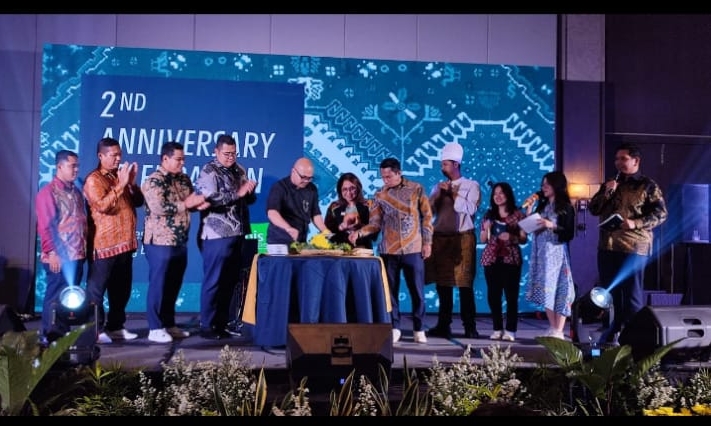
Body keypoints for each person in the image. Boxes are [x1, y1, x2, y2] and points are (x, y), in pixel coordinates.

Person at [588, 142, 668, 344]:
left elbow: (661, 214)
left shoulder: (647, 185)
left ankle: (636, 340)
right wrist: (606, 192)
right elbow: (594, 209)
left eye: (623, 159)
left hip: (634, 247)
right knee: (609, 293)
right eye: (616, 159)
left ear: (636, 160)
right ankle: (611, 334)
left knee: (632, 295)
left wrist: (635, 223)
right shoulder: (610, 183)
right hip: (607, 247)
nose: (618, 163)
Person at [350, 157, 433, 344]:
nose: (385, 180)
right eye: (383, 177)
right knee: (390, 293)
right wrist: (360, 233)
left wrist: (427, 242)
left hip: (413, 248)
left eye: (388, 176)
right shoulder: (380, 195)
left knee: (417, 291)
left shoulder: (416, 189)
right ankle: (395, 327)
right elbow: (375, 223)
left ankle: (419, 328)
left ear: (398, 173)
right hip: (388, 250)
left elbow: (427, 217)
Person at [141, 142, 209, 343]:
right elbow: (159, 207)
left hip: (180, 240)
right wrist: (187, 204)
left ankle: (168, 323)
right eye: (178, 159)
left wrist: (199, 204)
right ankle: (155, 327)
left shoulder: (183, 179)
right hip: (160, 241)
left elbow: (189, 203)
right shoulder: (154, 181)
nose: (182, 163)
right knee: (159, 284)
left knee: (173, 284)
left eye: (183, 159)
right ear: (165, 159)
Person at [195, 134, 257, 340]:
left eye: (234, 153)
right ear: (216, 152)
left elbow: (246, 200)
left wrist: (249, 192)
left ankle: (222, 323)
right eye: (226, 154)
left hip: (238, 233)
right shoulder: (208, 171)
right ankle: (206, 325)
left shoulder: (240, 170)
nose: (231, 157)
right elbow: (209, 199)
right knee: (214, 280)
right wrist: (238, 193)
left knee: (230, 281)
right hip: (216, 234)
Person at [83, 137, 144, 344]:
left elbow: (138, 202)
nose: (118, 158)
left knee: (121, 291)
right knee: (96, 291)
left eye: (119, 154)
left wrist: (132, 184)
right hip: (104, 246)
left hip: (125, 244)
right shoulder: (94, 179)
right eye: (113, 155)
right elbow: (102, 206)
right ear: (101, 156)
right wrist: (121, 185)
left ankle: (116, 326)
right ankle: (95, 330)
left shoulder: (120, 176)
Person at [424, 142, 482, 339]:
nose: (442, 168)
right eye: (442, 164)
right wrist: (437, 195)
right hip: (441, 239)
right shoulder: (438, 187)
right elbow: (428, 212)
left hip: (462, 239)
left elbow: (470, 209)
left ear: (456, 164)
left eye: (446, 164)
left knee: (464, 284)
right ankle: (443, 324)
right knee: (443, 285)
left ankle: (470, 326)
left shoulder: (471, 185)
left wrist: (452, 193)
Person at [35, 150, 88, 344]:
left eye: (77, 166)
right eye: (72, 166)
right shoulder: (48, 193)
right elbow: (45, 226)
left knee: (68, 300)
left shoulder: (75, 191)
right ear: (59, 166)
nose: (76, 170)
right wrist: (52, 252)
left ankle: (63, 337)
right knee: (55, 298)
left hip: (76, 256)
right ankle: (49, 337)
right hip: (59, 257)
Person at [524, 171, 576, 340]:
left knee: (560, 290)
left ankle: (559, 330)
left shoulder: (566, 207)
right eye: (543, 184)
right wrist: (530, 209)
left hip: (556, 254)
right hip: (541, 255)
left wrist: (551, 225)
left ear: (557, 185)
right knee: (546, 291)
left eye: (547, 184)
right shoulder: (542, 206)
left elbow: (569, 232)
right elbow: (530, 226)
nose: (543, 187)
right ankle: (553, 327)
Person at [479, 182, 527, 342]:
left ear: (508, 195)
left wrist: (511, 237)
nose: (498, 196)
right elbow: (483, 239)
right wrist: (486, 228)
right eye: (495, 194)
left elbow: (523, 239)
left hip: (511, 258)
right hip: (491, 258)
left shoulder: (518, 215)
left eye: (501, 193)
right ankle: (497, 328)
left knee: (511, 296)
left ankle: (511, 330)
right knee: (493, 296)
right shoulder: (489, 214)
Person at [266, 157, 329, 245]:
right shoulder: (279, 187)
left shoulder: (312, 188)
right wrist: (288, 228)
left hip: (301, 240)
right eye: (303, 177)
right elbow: (272, 213)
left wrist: (325, 231)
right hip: (279, 240)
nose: (306, 181)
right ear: (293, 171)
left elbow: (315, 214)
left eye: (309, 178)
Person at [324, 172, 376, 249]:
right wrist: (341, 229)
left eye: (352, 188)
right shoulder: (334, 207)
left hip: (364, 250)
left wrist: (361, 228)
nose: (349, 193)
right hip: (340, 250)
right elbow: (326, 233)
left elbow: (377, 231)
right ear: (340, 191)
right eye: (344, 189)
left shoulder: (370, 205)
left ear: (358, 188)